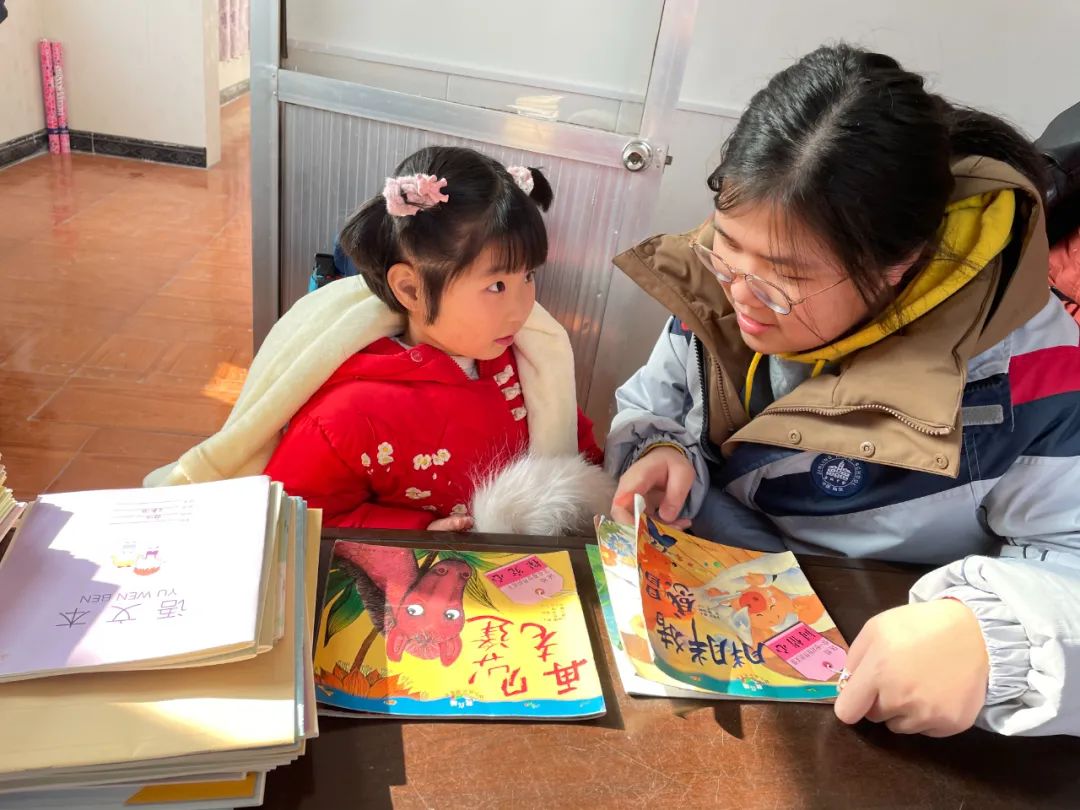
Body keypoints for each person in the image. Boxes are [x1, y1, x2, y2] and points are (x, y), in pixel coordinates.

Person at [606, 44, 1080, 738]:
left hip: (872, 691)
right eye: (725, 247)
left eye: (784, 278)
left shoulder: (1028, 376)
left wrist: (994, 637)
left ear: (898, 266)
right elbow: (660, 398)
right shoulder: (734, 274)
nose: (741, 296)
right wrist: (660, 447)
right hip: (714, 630)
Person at [146, 146, 609, 534]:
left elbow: (575, 440)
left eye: (528, 276)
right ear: (411, 290)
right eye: (496, 286)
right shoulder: (350, 412)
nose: (521, 306)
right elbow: (300, 515)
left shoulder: (524, 358)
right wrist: (416, 532)